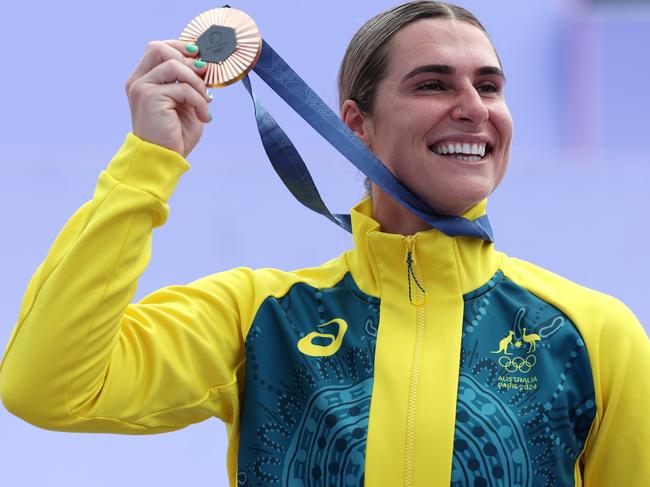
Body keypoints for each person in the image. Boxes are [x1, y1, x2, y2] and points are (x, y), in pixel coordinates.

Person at [1, 1, 648, 486]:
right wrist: (147, 165)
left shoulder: (593, 334)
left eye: (489, 85)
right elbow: (48, 384)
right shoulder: (259, 316)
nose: (474, 106)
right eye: (433, 83)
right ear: (356, 125)